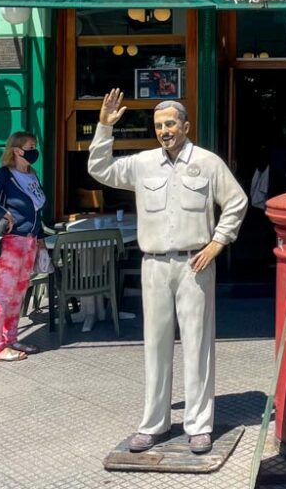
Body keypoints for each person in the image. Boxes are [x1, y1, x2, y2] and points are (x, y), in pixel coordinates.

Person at [87, 89, 247, 455]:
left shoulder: (208, 162)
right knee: (155, 345)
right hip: (154, 263)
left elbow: (237, 201)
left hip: (196, 262)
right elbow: (100, 169)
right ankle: (154, 423)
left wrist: (218, 242)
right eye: (159, 125)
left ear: (186, 125)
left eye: (171, 123)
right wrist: (104, 127)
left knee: (198, 344)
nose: (165, 130)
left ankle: (199, 425)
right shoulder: (142, 164)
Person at [0, 131, 47, 362]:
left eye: (35, 145)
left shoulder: (32, 174)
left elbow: (37, 211)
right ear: (16, 150)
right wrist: (3, 213)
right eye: (30, 146)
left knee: (18, 294)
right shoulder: (5, 175)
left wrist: (41, 241)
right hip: (12, 241)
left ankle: (11, 338)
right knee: (4, 294)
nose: (34, 150)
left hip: (30, 241)